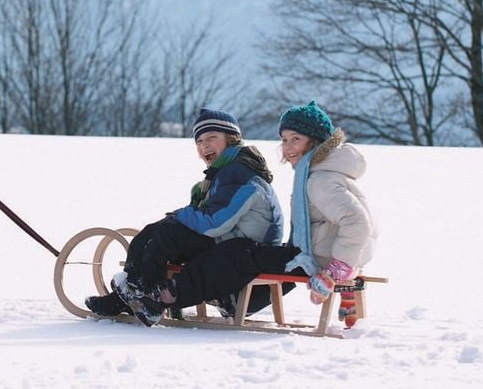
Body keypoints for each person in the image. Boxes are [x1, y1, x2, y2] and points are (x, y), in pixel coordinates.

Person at [120, 100, 377, 328]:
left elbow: (358, 223)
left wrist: (335, 270)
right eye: (284, 139)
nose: (287, 147)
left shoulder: (319, 180)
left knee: (236, 253)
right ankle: (152, 294)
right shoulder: (317, 175)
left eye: (295, 139)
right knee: (239, 253)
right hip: (318, 254)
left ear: (316, 142)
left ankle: (165, 296)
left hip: (320, 260)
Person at [86, 108, 285, 325]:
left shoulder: (239, 173)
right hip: (231, 241)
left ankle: (143, 296)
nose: (204, 145)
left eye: (211, 138)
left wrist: (181, 215)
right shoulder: (226, 172)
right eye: (199, 141)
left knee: (166, 234)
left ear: (231, 139)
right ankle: (132, 295)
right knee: (156, 231)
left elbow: (214, 223)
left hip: (243, 252)